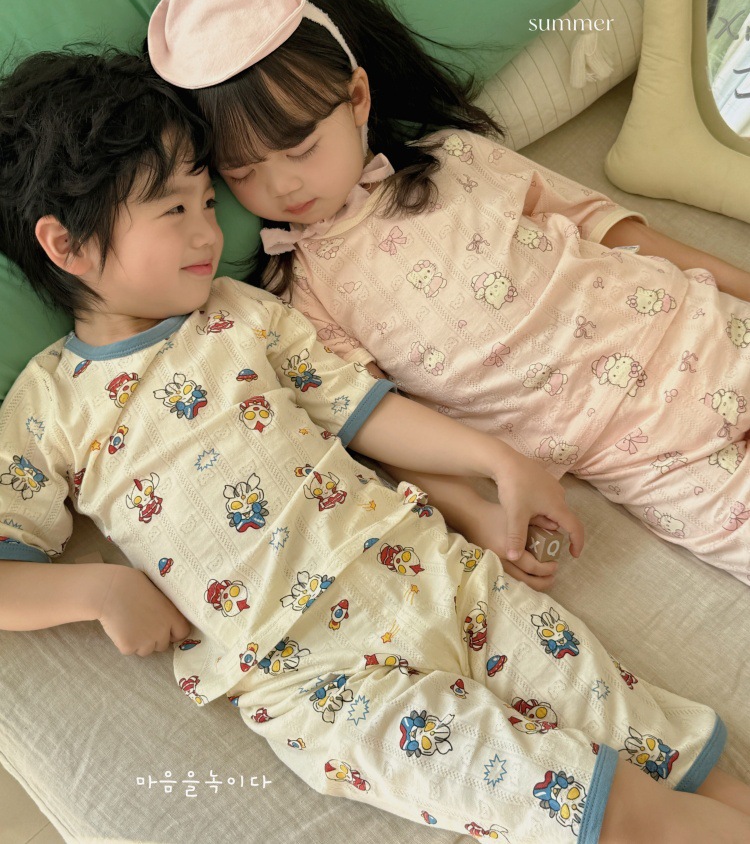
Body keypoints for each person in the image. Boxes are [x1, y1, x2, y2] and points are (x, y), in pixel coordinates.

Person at [0, 51, 749, 844]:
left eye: (207, 201)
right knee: (601, 812)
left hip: (442, 578)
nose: (208, 232)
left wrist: (498, 462)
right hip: (324, 676)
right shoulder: (50, 405)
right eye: (173, 209)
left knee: (668, 754)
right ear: (66, 246)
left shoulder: (242, 313)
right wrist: (99, 592)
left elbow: (361, 408)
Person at [148, 0, 750, 586]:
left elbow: (610, 227)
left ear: (357, 98)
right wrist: (475, 513)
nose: (282, 186)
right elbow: (381, 420)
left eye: (301, 150)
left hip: (700, 327)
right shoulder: (305, 290)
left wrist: (741, 281)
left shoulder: (456, 158)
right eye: (243, 172)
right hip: (644, 454)